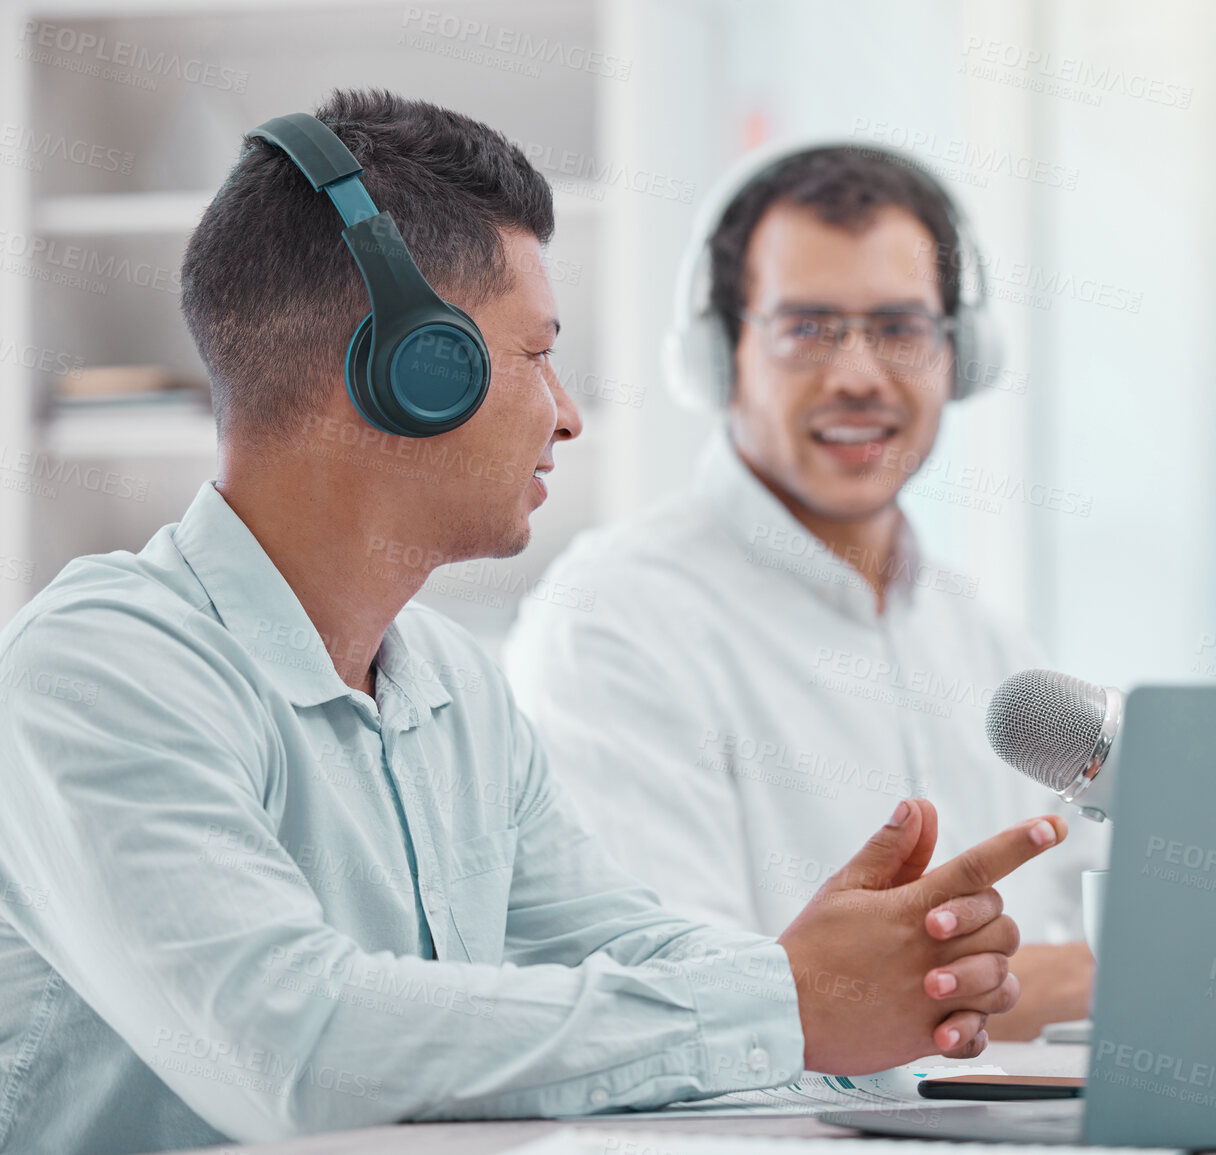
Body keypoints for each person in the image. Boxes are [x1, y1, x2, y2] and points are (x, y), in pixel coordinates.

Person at [0, 93, 1068, 1155]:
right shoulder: (102, 667)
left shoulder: (451, 689)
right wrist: (787, 1002)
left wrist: (874, 979)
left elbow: (628, 947)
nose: (567, 412)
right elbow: (298, 1052)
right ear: (410, 372)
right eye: (534, 355)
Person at [502, 144, 1105, 1042]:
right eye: (808, 328)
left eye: (901, 327)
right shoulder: (610, 621)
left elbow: (1114, 934)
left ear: (960, 355)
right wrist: (1077, 983)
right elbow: (688, 1002)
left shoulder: (988, 641)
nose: (859, 373)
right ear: (719, 356)